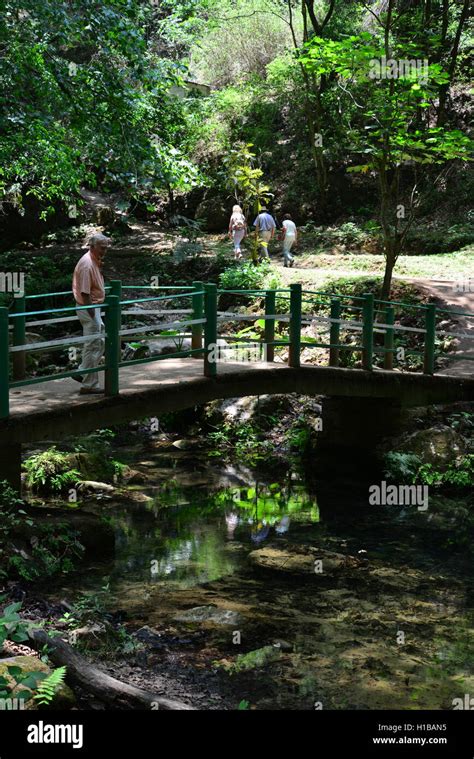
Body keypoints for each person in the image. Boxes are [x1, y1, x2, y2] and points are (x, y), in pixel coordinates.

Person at [72, 233, 111, 394]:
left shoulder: (93, 260)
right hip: (89, 308)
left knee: (97, 343)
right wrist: (93, 316)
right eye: (102, 248)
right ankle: (89, 385)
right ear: (93, 246)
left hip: (92, 308)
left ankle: (82, 371)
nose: (105, 251)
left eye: (106, 248)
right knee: (93, 345)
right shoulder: (88, 264)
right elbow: (85, 293)